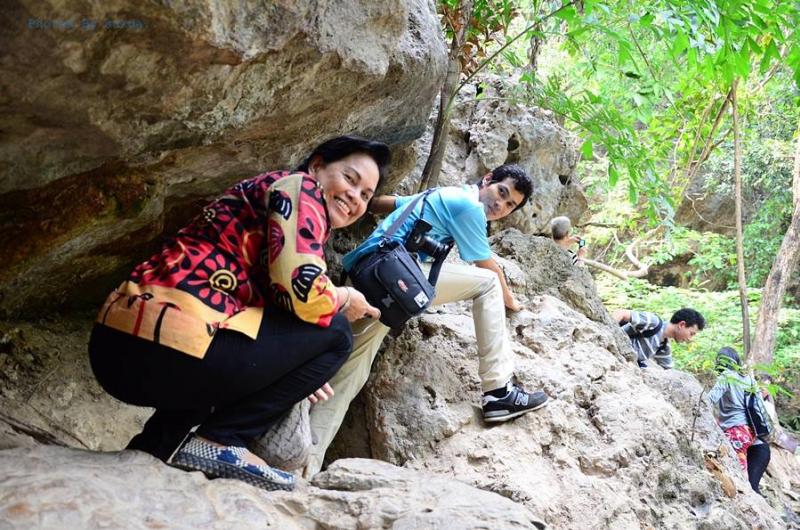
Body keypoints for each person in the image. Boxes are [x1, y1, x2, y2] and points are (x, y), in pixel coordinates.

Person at [88, 136, 387, 491]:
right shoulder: (300, 187)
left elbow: (270, 322)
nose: (355, 197)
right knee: (336, 334)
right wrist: (344, 298)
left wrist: (295, 364)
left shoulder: (278, 203)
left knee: (228, 334)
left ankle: (155, 448)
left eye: (366, 195)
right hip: (164, 342)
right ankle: (223, 440)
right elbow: (304, 291)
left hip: (118, 342)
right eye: (350, 179)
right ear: (317, 166)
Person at [305, 164, 550, 477]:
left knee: (347, 372)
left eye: (510, 204)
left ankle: (305, 463)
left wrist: (362, 204)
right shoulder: (469, 206)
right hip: (392, 278)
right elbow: (487, 266)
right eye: (501, 192)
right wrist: (513, 303)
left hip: (372, 273)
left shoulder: (442, 193)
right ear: (487, 179)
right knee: (489, 284)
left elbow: (389, 203)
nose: (500, 205)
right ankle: (498, 391)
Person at [707, 347, 771, 494]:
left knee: (736, 475)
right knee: (741, 473)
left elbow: (709, 399)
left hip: (735, 431)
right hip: (750, 432)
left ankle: (742, 495)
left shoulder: (726, 377)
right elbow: (760, 407)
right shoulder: (749, 379)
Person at [612, 307, 705, 369]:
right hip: (612, 349)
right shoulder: (653, 322)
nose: (690, 339)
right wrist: (608, 332)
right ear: (682, 325)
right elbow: (621, 313)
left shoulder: (663, 346)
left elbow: (669, 371)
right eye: (691, 333)